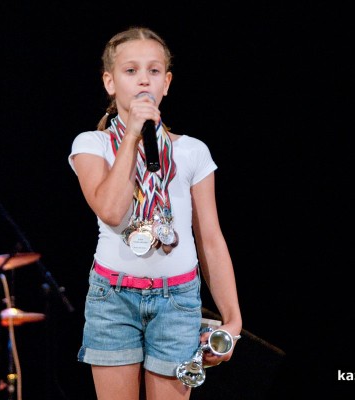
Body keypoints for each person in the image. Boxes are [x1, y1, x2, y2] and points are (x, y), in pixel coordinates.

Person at [68, 26, 242, 400]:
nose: (143, 79)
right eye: (131, 71)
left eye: (153, 70)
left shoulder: (193, 151)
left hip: (177, 300)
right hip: (113, 298)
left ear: (167, 83)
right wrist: (131, 135)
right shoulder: (92, 144)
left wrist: (233, 318)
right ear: (110, 82)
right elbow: (113, 212)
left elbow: (209, 237)